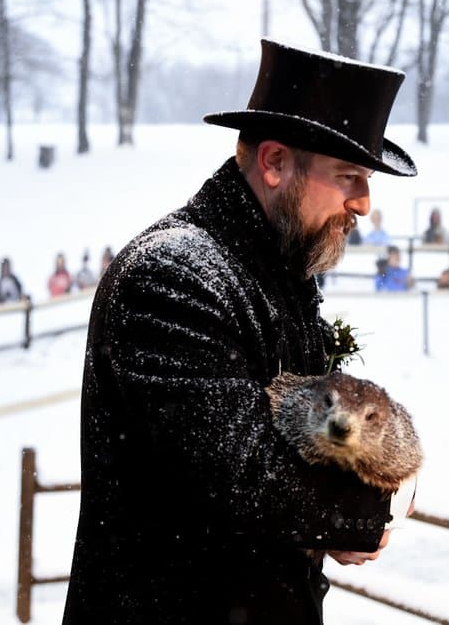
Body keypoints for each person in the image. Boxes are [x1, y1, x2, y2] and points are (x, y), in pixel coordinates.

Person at [63, 39, 417, 624]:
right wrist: (373, 503)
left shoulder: (279, 268)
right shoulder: (172, 275)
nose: (363, 203)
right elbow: (244, 473)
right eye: (348, 176)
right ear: (275, 163)